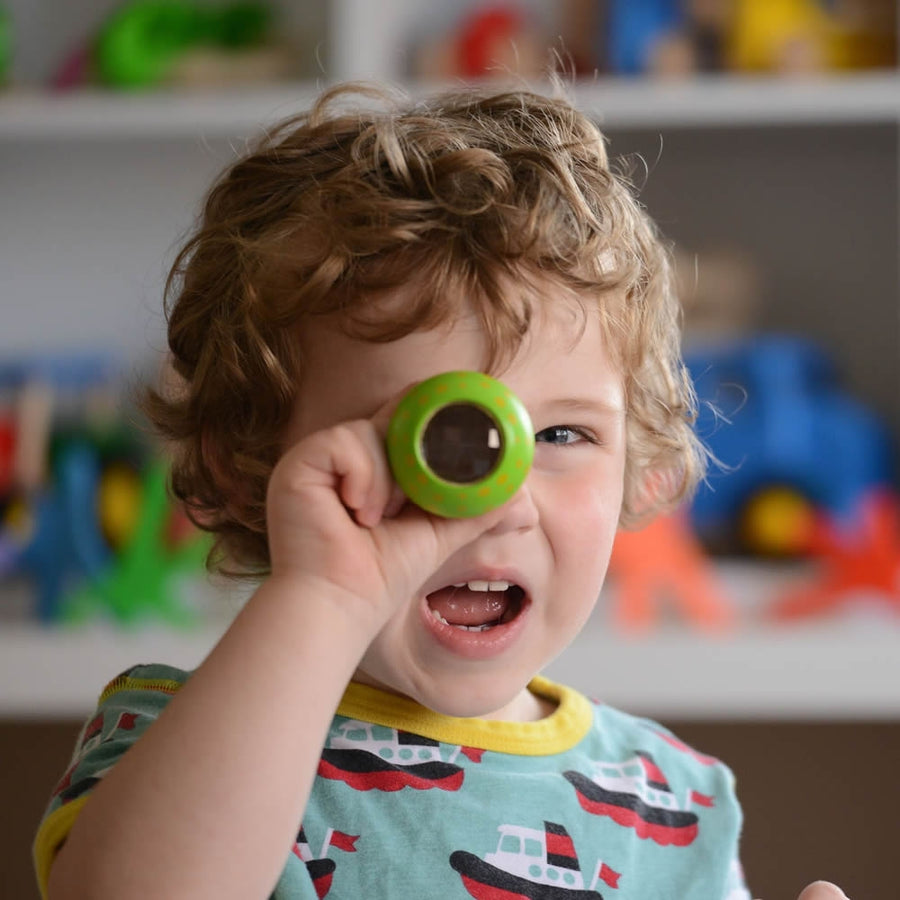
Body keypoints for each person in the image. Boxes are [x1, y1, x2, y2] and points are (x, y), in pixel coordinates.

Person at [35, 82, 848, 900]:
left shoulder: (672, 806)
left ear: (638, 459)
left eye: (562, 435)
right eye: (428, 444)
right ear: (246, 464)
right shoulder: (185, 747)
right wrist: (328, 591)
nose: (497, 501)